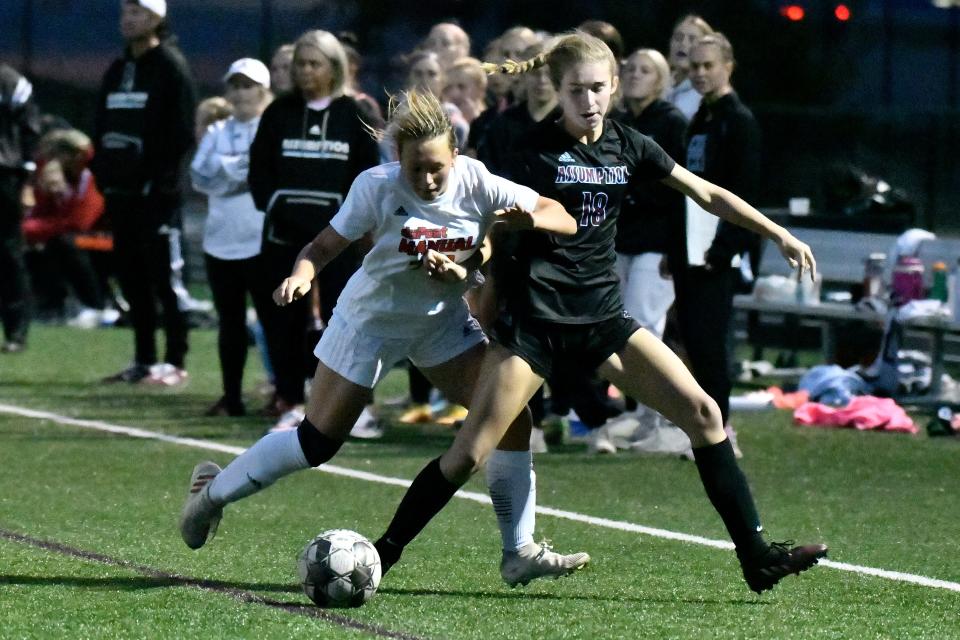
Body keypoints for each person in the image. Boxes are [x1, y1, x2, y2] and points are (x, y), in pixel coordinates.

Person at [370, 31, 827, 595]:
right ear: (557, 92)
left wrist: (777, 231)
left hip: (603, 323)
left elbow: (705, 192)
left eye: (597, 89)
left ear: (612, 87)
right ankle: (380, 557)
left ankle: (757, 557)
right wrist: (472, 269)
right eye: (575, 90)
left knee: (705, 416)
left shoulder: (628, 144)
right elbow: (491, 230)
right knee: (469, 453)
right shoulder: (530, 154)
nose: (588, 101)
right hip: (535, 328)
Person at [179, 90, 589, 588]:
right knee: (316, 444)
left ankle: (518, 550)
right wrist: (302, 275)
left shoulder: (479, 182)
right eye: (416, 168)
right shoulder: (376, 187)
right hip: (368, 323)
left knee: (511, 422)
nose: (428, 179)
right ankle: (211, 492)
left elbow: (561, 215)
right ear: (399, 160)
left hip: (439, 324)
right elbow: (324, 245)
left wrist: (516, 220)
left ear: (455, 156)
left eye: (437, 167)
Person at [248, 30, 380, 430]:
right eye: (299, 64)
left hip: (340, 240)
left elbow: (368, 178)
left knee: (349, 322)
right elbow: (260, 175)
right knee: (282, 321)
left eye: (314, 63)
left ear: (334, 67)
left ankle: (355, 408)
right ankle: (290, 399)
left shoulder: (355, 115)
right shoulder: (277, 113)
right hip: (282, 238)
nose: (305, 71)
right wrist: (283, 211)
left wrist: (346, 224)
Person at [93, 0, 197, 385]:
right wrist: (105, 176)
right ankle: (143, 359)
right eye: (124, 13)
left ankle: (175, 361)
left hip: (157, 196)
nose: (128, 19)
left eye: (136, 12)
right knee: (132, 277)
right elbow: (101, 125)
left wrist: (161, 180)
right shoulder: (118, 69)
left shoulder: (171, 66)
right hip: (121, 194)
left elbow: (183, 130)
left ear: (156, 19)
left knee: (166, 279)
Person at [670, 33, 762, 452]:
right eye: (694, 66)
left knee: (710, 344)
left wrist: (722, 250)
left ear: (729, 66)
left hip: (714, 253)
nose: (700, 74)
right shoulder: (701, 118)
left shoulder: (737, 120)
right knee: (691, 340)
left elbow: (743, 192)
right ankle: (701, 426)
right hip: (691, 247)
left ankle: (722, 432)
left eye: (709, 65)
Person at [606, 48, 690, 453]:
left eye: (646, 71)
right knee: (623, 328)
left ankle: (663, 416)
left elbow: (683, 192)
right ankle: (642, 414)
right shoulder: (619, 122)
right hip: (623, 239)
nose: (636, 76)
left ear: (661, 81)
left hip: (656, 241)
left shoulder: (671, 122)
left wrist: (678, 248)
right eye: (631, 70)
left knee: (644, 326)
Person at [191, 58, 274, 417]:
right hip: (220, 240)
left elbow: (262, 174)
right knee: (229, 323)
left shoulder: (270, 128)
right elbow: (199, 176)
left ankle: (286, 394)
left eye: (248, 86)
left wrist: (226, 170)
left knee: (273, 321)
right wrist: (236, 171)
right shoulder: (217, 131)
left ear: (263, 91)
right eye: (235, 86)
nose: (241, 93)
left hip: (260, 240)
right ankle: (232, 396)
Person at [22, 128, 109, 325]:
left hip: (103, 239)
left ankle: (94, 305)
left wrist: (28, 229)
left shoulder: (88, 178)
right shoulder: (55, 178)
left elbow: (79, 222)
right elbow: (43, 213)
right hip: (73, 237)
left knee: (65, 242)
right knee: (37, 251)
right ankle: (50, 306)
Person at [0, 63, 41, 353]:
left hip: (4, 175)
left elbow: (30, 131)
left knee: (8, 253)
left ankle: (16, 332)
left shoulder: (10, 81)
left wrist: (27, 182)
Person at [666, 14, 714, 121]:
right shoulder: (657, 85)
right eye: (678, 37)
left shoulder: (708, 97)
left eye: (692, 39)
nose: (683, 43)